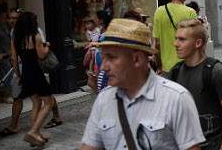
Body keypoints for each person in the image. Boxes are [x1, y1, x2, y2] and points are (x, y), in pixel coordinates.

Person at [81, 18, 204, 150]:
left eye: (111, 57)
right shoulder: (104, 99)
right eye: (103, 57)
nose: (104, 67)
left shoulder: (175, 98)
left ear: (137, 59)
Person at [169, 19, 222, 150]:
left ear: (198, 43)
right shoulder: (175, 72)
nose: (175, 44)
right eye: (176, 38)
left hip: (212, 143)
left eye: (182, 40)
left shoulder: (216, 71)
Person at [10, 11, 54, 147]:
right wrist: (47, 47)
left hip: (26, 73)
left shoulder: (16, 38)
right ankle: (34, 132)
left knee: (36, 103)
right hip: (36, 72)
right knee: (49, 102)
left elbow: (14, 59)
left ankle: (36, 135)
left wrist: (18, 75)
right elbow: (41, 56)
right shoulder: (35, 36)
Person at [152, 0, 197, 73]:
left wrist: (159, 66)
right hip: (186, 68)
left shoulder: (159, 11)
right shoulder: (190, 12)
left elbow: (156, 44)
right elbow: (195, 43)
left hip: (166, 69)